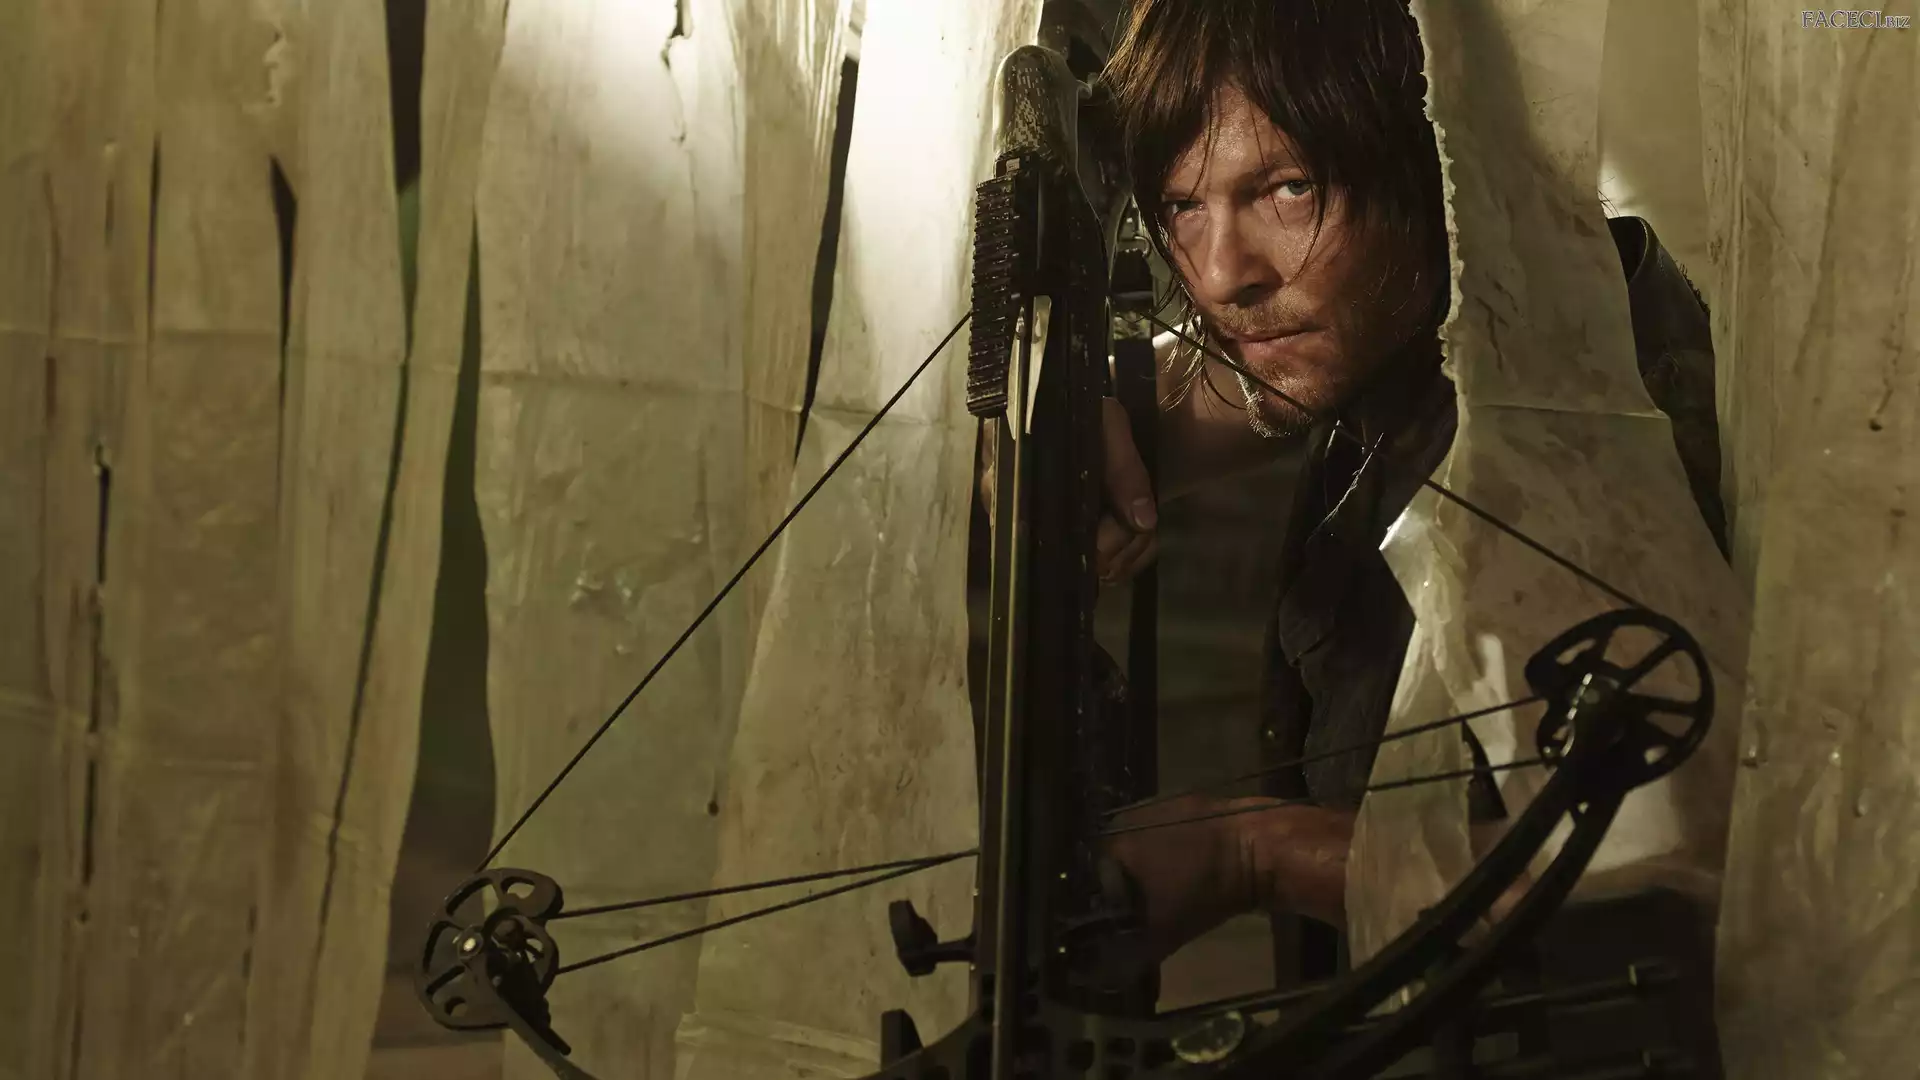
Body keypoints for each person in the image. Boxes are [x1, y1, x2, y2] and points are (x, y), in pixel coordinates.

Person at [1084, 0, 1731, 996]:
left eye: (1288, 189)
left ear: (1433, 150)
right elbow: (1189, 388)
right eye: (1183, 207)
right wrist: (1070, 417)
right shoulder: (1435, 325)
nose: (1221, 275)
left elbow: (1665, 876)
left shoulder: (1586, 416)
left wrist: (1254, 855)